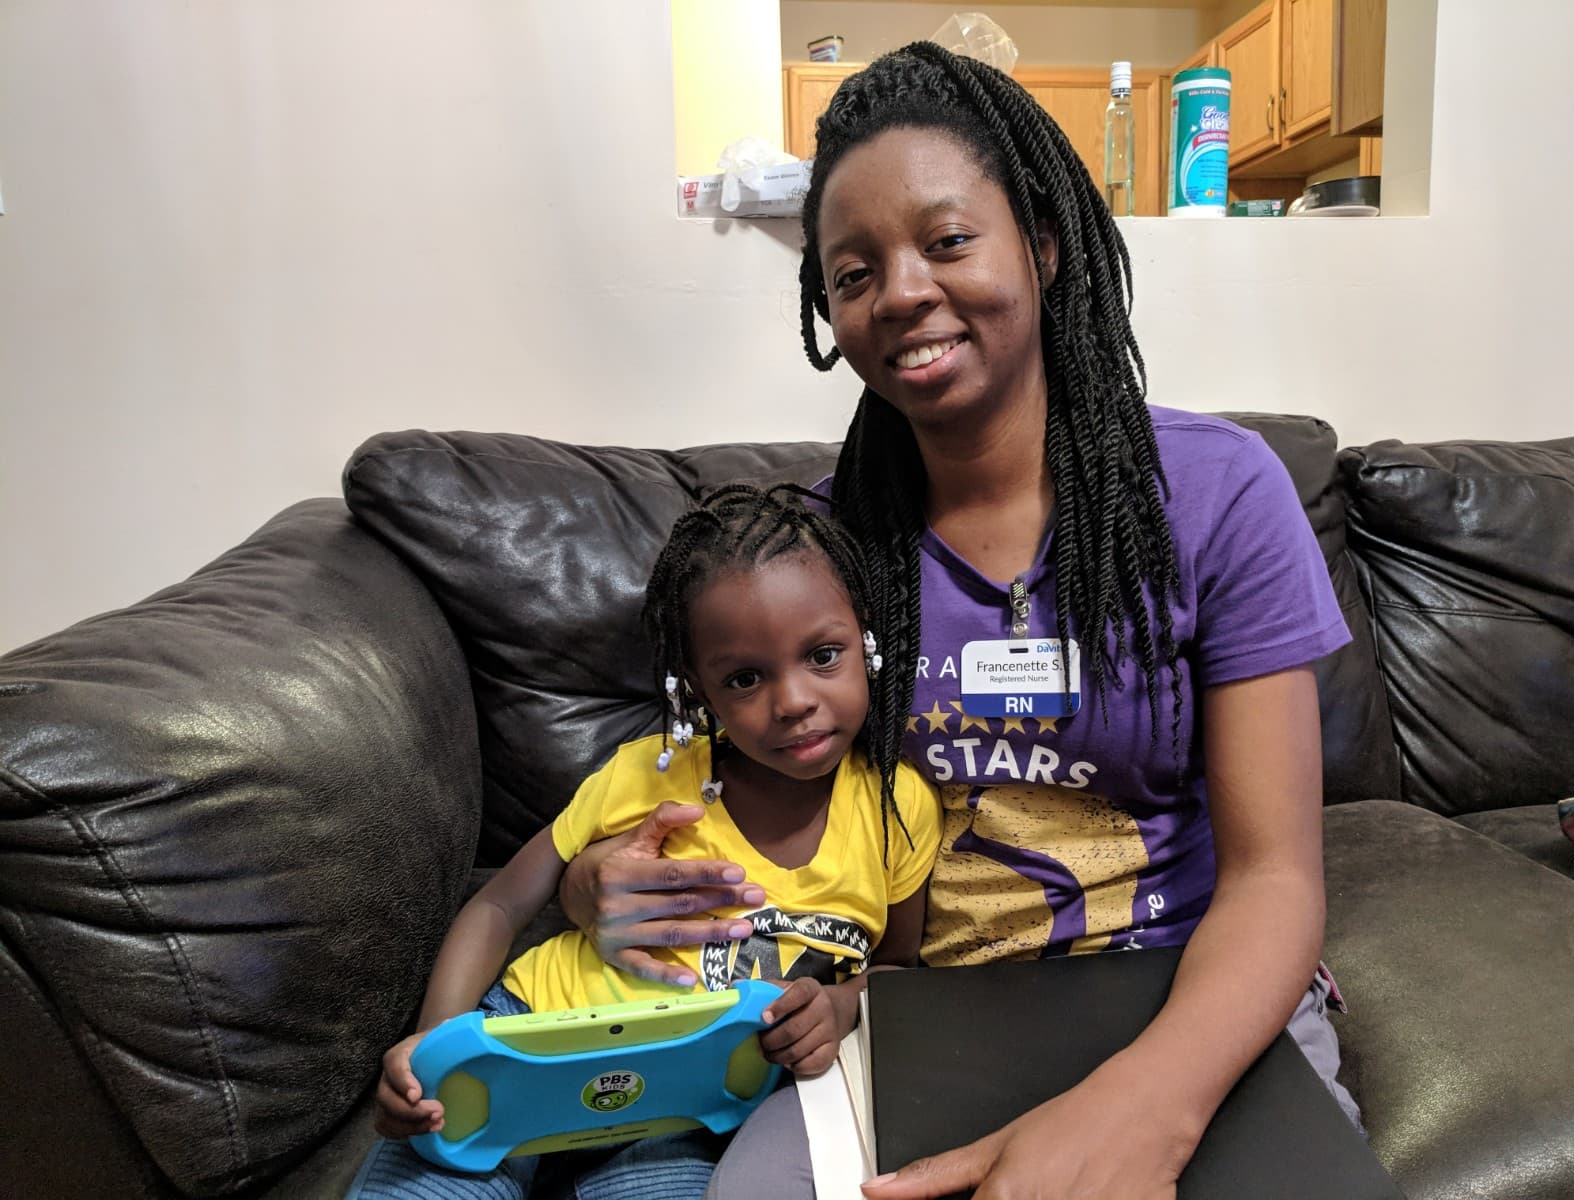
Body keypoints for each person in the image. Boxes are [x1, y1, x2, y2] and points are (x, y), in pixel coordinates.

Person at [559, 42, 1361, 1200]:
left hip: (1184, 985)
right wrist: (595, 889)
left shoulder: (1218, 491)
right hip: (922, 1008)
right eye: (851, 271)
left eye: (945, 241)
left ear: (1039, 243)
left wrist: (1144, 1112)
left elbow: (1277, 879)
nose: (900, 293)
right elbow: (733, 802)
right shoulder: (816, 561)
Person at [345, 484, 940, 1200]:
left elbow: (903, 966)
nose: (793, 701)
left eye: (823, 655)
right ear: (699, 691)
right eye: (745, 678)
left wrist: (843, 1007)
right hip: (526, 1047)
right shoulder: (646, 775)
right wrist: (434, 1048)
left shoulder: (898, 806)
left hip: (684, 1111)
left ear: (865, 637)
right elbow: (500, 906)